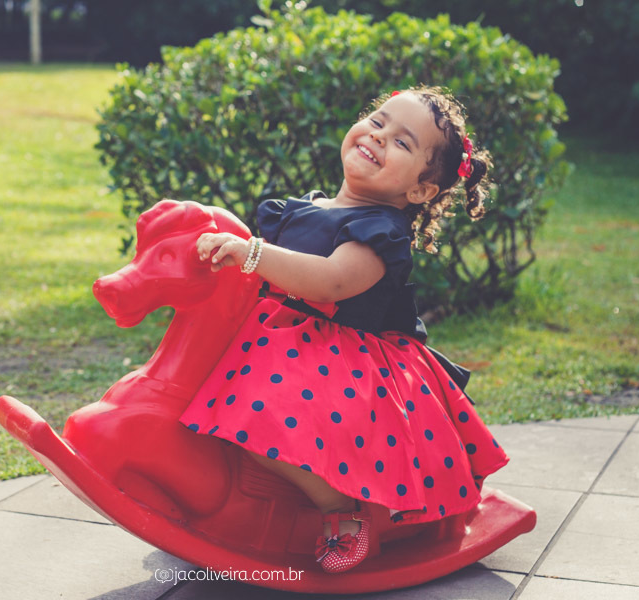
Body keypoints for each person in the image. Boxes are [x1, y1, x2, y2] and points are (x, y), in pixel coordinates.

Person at [179, 86, 508, 574]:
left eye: (402, 142)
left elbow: (331, 282)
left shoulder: (380, 231)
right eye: (377, 121)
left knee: (256, 416)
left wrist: (252, 253)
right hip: (278, 340)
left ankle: (341, 508)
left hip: (346, 359)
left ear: (420, 191)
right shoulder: (300, 207)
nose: (379, 136)